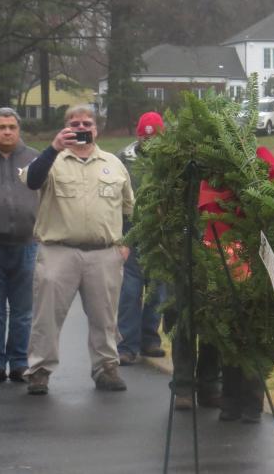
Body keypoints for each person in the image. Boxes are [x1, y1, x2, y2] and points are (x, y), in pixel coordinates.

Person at [21, 104, 134, 394]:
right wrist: (53, 148)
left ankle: (106, 368)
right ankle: (40, 371)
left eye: (87, 123)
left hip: (104, 253)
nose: (82, 128)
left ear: (96, 129)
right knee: (46, 316)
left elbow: (129, 208)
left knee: (105, 316)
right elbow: (32, 180)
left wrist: (125, 244)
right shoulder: (49, 160)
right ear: (65, 128)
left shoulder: (114, 163)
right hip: (59, 251)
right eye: (75, 123)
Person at [0, 108, 39, 384]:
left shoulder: (35, 158)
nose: (7, 131)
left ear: (19, 130)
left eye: (12, 127)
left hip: (27, 244)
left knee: (23, 310)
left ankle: (19, 361)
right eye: (1, 127)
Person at [115, 112, 167, 366]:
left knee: (157, 291)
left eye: (154, 137)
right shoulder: (122, 159)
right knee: (130, 291)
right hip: (131, 233)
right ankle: (126, 344)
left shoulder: (170, 160)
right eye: (145, 137)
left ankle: (150, 338)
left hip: (160, 235)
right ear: (138, 136)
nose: (149, 142)